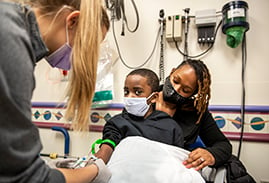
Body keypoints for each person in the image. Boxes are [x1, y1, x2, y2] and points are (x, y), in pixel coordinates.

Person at [0, 0, 111, 182]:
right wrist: (94, 170)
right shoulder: (10, 37)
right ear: (73, 21)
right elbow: (28, 179)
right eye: (85, 47)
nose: (78, 61)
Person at [94, 68, 185, 163]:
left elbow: (177, 161)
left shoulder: (170, 127)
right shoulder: (116, 123)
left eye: (138, 92)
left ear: (154, 97)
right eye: (126, 92)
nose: (130, 97)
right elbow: (107, 146)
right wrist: (96, 164)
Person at [157, 59, 232, 171]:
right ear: (172, 72)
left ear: (192, 94)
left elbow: (223, 145)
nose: (175, 89)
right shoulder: (147, 96)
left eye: (185, 90)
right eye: (176, 81)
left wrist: (210, 154)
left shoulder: (196, 112)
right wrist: (160, 118)